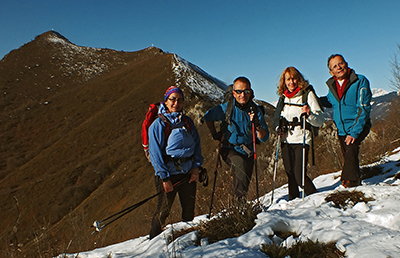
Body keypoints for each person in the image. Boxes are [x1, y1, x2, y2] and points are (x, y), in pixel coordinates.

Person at [148, 86, 203, 239]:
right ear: (165, 102)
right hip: (168, 176)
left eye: (179, 99)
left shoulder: (187, 122)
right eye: (172, 99)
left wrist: (196, 167)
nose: (176, 103)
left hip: (188, 173)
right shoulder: (158, 125)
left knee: (189, 209)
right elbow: (155, 154)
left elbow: (197, 145)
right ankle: (152, 242)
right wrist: (164, 178)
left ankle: (189, 241)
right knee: (163, 211)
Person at [204, 76, 269, 201]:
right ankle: (240, 205)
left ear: (251, 92)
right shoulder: (226, 108)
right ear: (234, 93)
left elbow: (264, 138)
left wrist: (257, 125)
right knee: (240, 165)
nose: (242, 95)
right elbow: (208, 117)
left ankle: (238, 205)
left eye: (246, 91)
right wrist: (214, 134)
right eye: (239, 91)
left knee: (244, 180)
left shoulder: (255, 111)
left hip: (249, 150)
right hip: (229, 148)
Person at [273, 67, 325, 200]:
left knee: (299, 174)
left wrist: (308, 115)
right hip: (286, 140)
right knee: (290, 173)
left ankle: (315, 197)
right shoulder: (283, 97)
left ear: (299, 79)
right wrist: (278, 127)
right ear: (284, 82)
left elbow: (320, 120)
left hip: (301, 138)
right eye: (288, 79)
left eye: (294, 78)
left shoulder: (307, 95)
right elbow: (276, 117)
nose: (291, 82)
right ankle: (293, 200)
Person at [323, 54, 372, 188]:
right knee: (349, 157)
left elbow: (363, 108)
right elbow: (329, 101)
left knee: (351, 149)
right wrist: (311, 100)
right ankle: (355, 182)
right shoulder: (333, 85)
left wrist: (355, 132)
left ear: (346, 63)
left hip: (358, 126)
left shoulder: (360, 81)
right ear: (331, 71)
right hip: (342, 129)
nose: (339, 67)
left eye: (341, 63)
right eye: (335, 66)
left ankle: (350, 184)